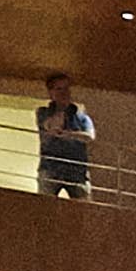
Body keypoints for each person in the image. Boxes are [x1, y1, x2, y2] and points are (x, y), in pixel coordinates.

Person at [34, 70, 97, 199]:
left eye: (67, 89)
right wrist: (60, 110)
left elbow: (90, 136)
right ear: (51, 93)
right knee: (44, 206)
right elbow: (51, 127)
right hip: (51, 168)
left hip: (77, 170)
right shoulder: (43, 112)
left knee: (83, 208)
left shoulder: (81, 117)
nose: (64, 93)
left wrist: (67, 134)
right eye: (59, 89)